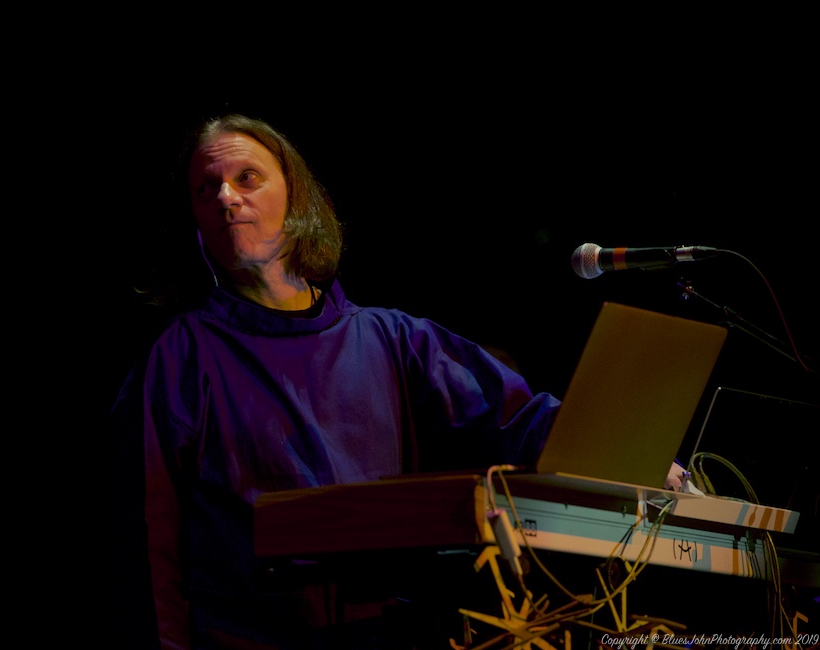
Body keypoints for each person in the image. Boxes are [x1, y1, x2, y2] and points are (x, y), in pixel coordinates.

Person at [109, 114, 677, 649]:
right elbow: (146, 541)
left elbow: (518, 419)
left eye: (246, 178)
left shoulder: (392, 339)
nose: (226, 198)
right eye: (206, 189)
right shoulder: (179, 358)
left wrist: (639, 454)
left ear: (297, 198)